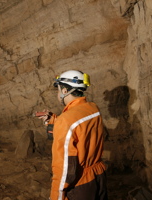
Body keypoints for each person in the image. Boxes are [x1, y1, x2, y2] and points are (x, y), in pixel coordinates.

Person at [36, 70, 108, 200]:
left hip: (81, 185)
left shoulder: (66, 121)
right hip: (99, 177)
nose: (58, 94)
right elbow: (80, 131)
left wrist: (55, 197)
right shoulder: (93, 108)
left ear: (64, 91)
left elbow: (64, 169)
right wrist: (53, 121)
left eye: (58, 90)